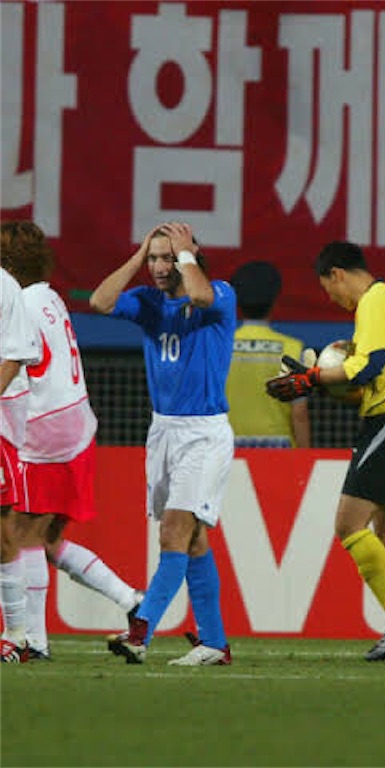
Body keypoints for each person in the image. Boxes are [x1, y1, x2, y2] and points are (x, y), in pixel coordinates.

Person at [265, 241, 385, 662]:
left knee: (348, 524)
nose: (332, 298)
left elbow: (368, 366)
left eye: (329, 288)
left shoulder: (375, 301)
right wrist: (318, 382)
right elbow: (366, 383)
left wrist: (312, 378)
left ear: (337, 274)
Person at [90, 221, 235, 666]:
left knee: (174, 531)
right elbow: (99, 302)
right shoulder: (147, 301)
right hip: (163, 432)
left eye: (166, 258)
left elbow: (201, 296)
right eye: (153, 258)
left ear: (188, 256)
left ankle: (141, 630)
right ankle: (215, 643)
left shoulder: (220, 294)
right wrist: (138, 255)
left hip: (203, 433)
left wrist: (185, 255)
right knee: (191, 540)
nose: (157, 267)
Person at [1, 221, 143, 661]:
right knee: (45, 540)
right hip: (77, 424)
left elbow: (19, 363)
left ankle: (32, 642)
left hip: (44, 428)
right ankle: (132, 600)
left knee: (19, 535)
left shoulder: (18, 303)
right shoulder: (50, 297)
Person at [0, 264, 41, 663]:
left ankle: (17, 635)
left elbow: (15, 357)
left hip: (1, 417)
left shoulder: (3, 285)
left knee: (2, 527)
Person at [226, 260, 310, 448]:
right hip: (278, 449)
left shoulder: (220, 346)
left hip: (227, 447)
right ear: (275, 300)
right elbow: (299, 414)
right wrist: (306, 456)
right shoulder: (293, 349)